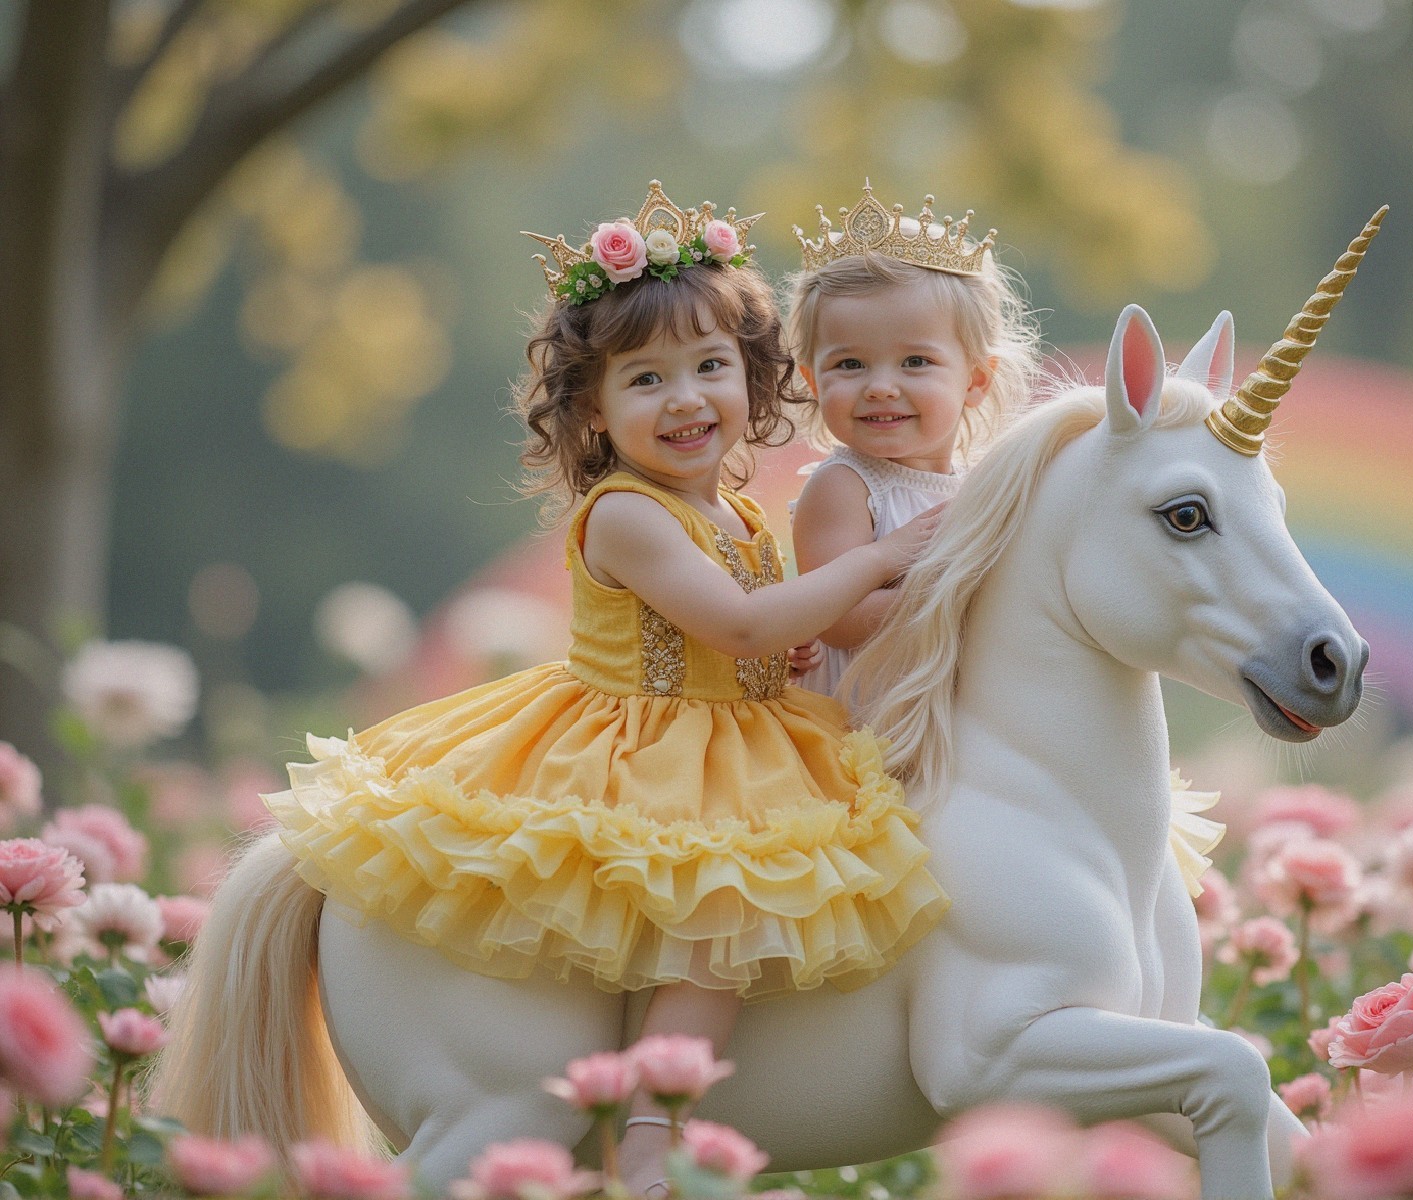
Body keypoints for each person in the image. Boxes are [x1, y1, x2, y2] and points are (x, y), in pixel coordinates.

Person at [262, 181, 950, 1196]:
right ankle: (647, 1137)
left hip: (743, 733)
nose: (685, 400)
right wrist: (879, 561)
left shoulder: (743, 519)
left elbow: (762, 641)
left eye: (711, 367)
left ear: (754, 383)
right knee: (718, 912)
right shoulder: (625, 516)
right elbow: (743, 622)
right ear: (592, 410)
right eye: (646, 379)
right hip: (641, 747)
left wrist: (788, 656)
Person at [785, 183, 1041, 698]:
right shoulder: (845, 487)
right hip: (866, 722)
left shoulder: (979, 484)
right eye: (850, 364)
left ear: (975, 380)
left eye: (915, 362)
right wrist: (971, 596)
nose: (881, 386)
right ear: (814, 382)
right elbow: (838, 619)